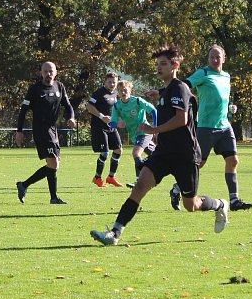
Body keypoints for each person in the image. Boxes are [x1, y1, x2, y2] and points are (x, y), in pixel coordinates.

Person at [90, 45, 229, 246]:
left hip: (184, 155)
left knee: (191, 205)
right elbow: (169, 98)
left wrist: (152, 130)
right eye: (157, 64)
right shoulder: (168, 90)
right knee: (139, 187)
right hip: (164, 153)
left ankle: (219, 205)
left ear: (175, 65)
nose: (158, 67)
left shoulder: (180, 88)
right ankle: (114, 233)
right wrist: (159, 94)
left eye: (163, 64)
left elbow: (181, 119)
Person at [165, 45, 252, 211]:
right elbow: (183, 86)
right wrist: (164, 92)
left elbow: (220, 98)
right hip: (206, 127)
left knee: (233, 160)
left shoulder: (226, 76)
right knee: (199, 163)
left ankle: (234, 201)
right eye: (211, 57)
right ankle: (177, 188)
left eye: (217, 57)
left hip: (224, 126)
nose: (214, 60)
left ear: (223, 58)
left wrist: (230, 107)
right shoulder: (203, 74)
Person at [15, 61, 76, 204]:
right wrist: (19, 131)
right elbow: (23, 111)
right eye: (45, 71)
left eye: (51, 71)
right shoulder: (35, 89)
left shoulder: (60, 86)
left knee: (53, 164)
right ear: (41, 72)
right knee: (53, 162)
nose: (48, 74)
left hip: (52, 129)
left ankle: (24, 185)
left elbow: (68, 105)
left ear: (55, 72)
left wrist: (71, 117)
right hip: (41, 130)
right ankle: (53, 197)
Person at [110, 80, 157, 187]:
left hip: (144, 132)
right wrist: (117, 124)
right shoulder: (117, 106)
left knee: (136, 153)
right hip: (134, 135)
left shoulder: (137, 101)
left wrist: (155, 127)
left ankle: (139, 181)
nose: (123, 92)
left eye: (125, 90)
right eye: (121, 90)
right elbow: (112, 122)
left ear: (130, 90)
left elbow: (153, 110)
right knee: (156, 155)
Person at [86, 72, 124, 188]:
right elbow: (89, 106)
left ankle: (111, 177)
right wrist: (102, 117)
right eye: (110, 82)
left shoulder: (115, 94)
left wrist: (120, 120)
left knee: (118, 150)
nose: (112, 84)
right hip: (100, 127)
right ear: (105, 81)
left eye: (114, 82)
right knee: (105, 152)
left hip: (111, 126)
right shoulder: (99, 93)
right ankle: (97, 178)